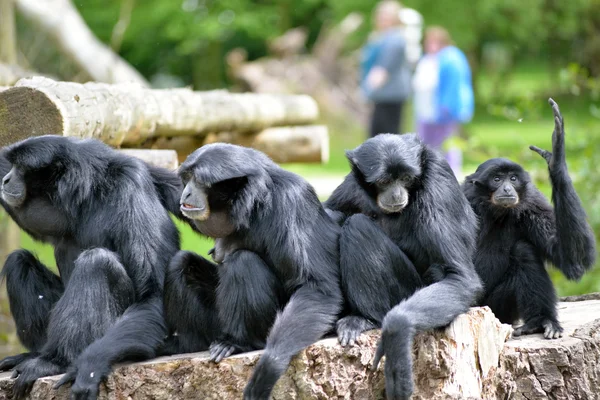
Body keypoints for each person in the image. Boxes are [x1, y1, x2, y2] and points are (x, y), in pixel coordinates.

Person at [413, 26, 474, 176]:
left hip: (443, 110)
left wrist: (447, 106)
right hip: (426, 110)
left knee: (447, 144)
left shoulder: (451, 58)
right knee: (425, 145)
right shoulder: (428, 59)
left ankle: (450, 173)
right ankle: (428, 174)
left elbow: (454, 85)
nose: (431, 45)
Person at [361, 1, 412, 138]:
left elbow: (382, 71)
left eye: (386, 16)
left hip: (390, 96)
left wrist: (366, 92)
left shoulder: (394, 39)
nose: (382, 19)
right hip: (382, 96)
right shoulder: (380, 37)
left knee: (386, 139)